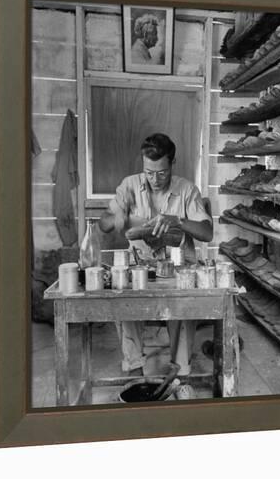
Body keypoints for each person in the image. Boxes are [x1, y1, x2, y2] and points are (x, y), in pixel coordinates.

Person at [99, 133, 213, 399]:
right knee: (125, 299)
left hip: (178, 267)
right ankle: (135, 370)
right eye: (149, 172)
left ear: (173, 164)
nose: (154, 179)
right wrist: (117, 216)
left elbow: (207, 234)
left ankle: (180, 375)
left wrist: (178, 221)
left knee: (182, 302)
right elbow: (105, 223)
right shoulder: (129, 185)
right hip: (140, 266)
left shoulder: (186, 189)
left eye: (161, 172)